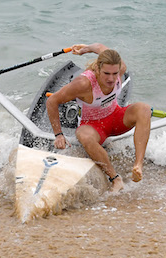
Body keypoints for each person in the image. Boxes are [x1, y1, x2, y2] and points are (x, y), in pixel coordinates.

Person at [46, 43, 151, 192]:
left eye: (115, 74)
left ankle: (138, 165)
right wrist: (58, 134)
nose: (111, 79)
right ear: (97, 68)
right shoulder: (83, 84)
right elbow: (52, 101)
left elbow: (100, 48)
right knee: (84, 136)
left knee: (144, 109)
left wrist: (85, 48)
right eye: (106, 74)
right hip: (93, 126)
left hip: (116, 117)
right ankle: (115, 179)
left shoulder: (120, 68)